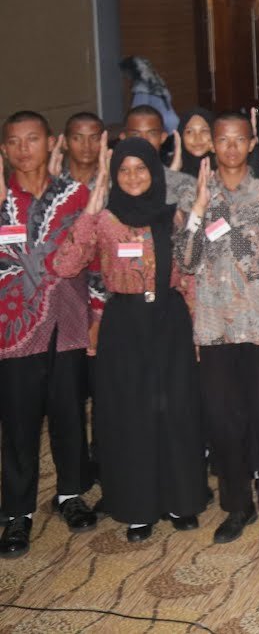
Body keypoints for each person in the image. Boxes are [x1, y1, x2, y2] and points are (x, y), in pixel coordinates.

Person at [50, 138, 205, 543]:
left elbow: (189, 273)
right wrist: (90, 208)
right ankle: (139, 509)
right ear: (114, 174)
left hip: (170, 320)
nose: (133, 176)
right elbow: (65, 264)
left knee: (175, 411)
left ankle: (180, 500)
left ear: (154, 172)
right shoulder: (103, 220)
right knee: (132, 416)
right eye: (124, 169)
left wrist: (196, 330)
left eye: (141, 168)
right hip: (125, 324)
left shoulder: (172, 216)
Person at [175, 113, 259, 543]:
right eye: (223, 140)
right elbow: (186, 262)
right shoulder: (195, 196)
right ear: (212, 145)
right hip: (215, 328)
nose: (231, 147)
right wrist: (197, 210)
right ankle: (237, 506)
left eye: (239, 140)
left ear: (251, 144)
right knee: (224, 421)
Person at [0, 111, 96, 556]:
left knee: (69, 414)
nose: (24, 149)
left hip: (69, 322)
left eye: (32, 139)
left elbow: (96, 257)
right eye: (14, 142)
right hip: (14, 330)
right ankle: (17, 513)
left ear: (50, 142)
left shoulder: (76, 195)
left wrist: (98, 315)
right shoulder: (2, 199)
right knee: (19, 424)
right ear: (4, 150)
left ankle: (70, 494)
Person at [119, 56, 179, 132]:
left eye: (126, 73)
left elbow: (137, 114)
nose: (125, 76)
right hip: (174, 122)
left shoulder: (142, 90)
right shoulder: (159, 85)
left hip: (164, 127)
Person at [60, 113, 104, 186]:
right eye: (77, 138)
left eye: (94, 138)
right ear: (65, 143)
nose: (87, 145)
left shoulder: (116, 182)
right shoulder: (54, 181)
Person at [176, 109, 215, 177]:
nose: (197, 139)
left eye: (204, 131)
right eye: (189, 132)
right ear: (181, 136)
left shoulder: (227, 162)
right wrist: (175, 167)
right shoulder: (165, 167)